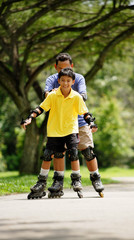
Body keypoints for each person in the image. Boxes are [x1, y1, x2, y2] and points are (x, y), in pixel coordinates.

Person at [21, 68, 97, 199]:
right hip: (54, 131)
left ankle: (76, 179)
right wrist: (30, 118)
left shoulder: (76, 97)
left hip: (71, 130)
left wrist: (91, 123)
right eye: (63, 80)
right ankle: (41, 182)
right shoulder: (52, 95)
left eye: (68, 80)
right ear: (59, 81)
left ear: (73, 82)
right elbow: (41, 108)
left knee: (73, 153)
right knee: (47, 155)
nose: (65, 83)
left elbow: (85, 113)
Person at [43, 53, 104, 195]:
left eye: (67, 68)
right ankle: (58, 182)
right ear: (55, 67)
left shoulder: (79, 78)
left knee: (87, 151)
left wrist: (70, 94)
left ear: (72, 66)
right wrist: (52, 93)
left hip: (80, 122)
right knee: (59, 152)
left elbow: (83, 95)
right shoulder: (52, 79)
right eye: (60, 69)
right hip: (60, 123)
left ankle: (96, 177)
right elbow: (46, 95)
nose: (64, 72)